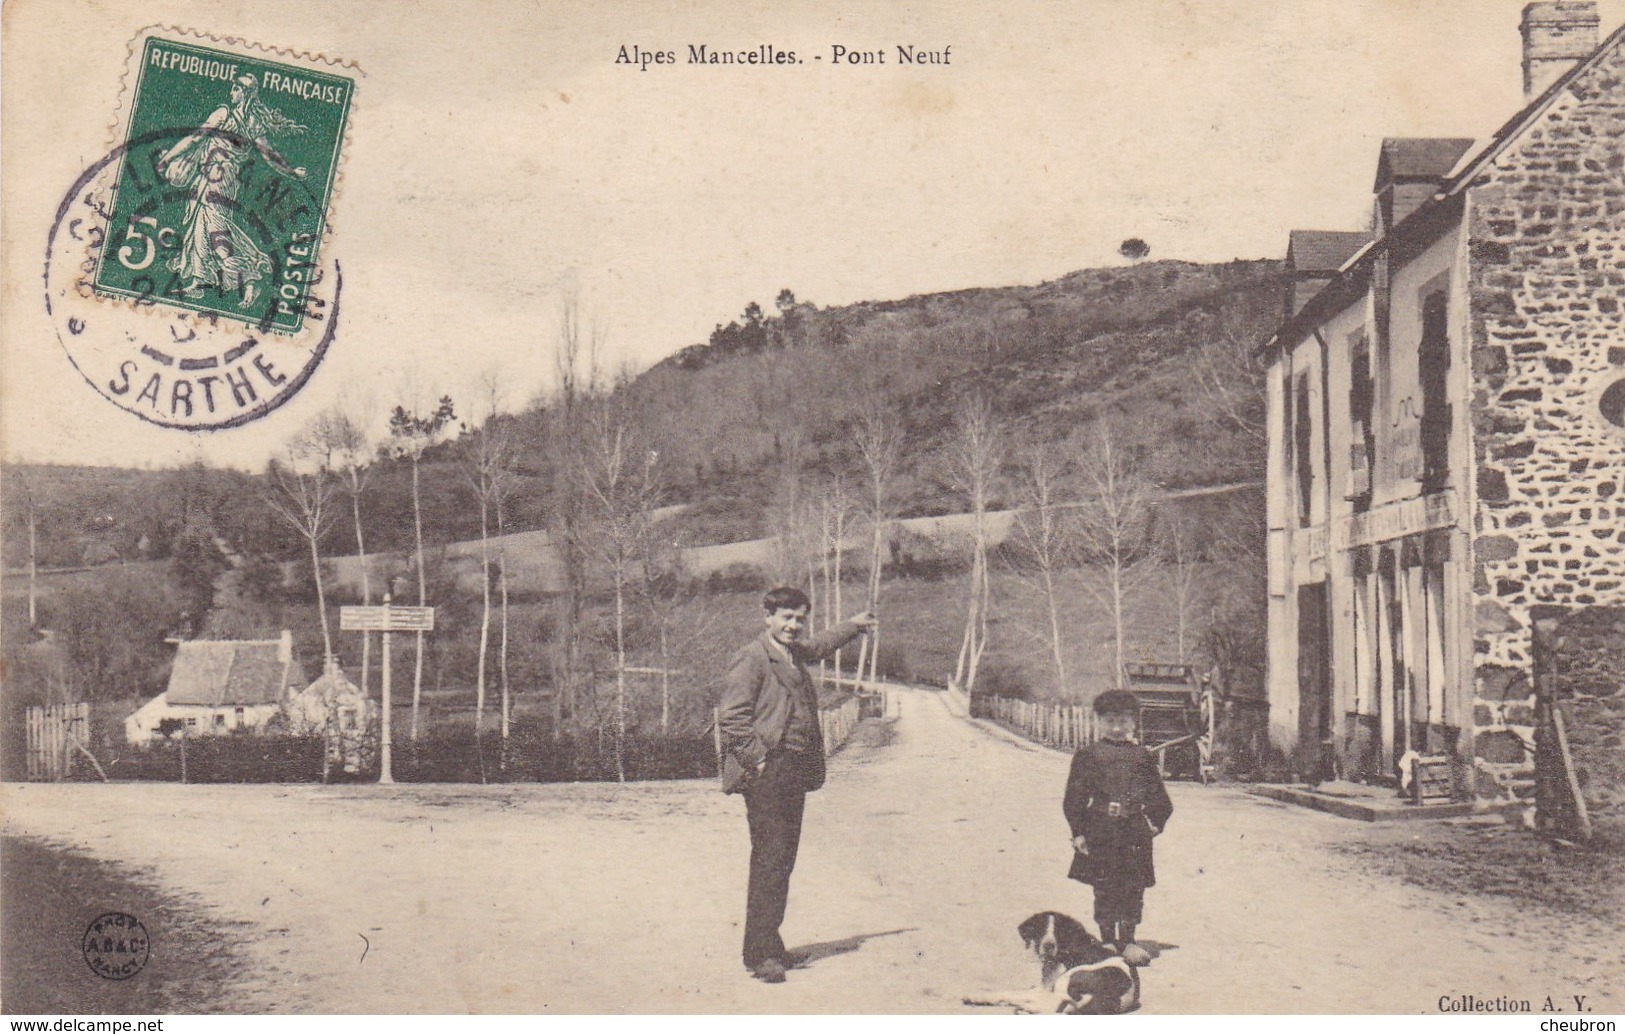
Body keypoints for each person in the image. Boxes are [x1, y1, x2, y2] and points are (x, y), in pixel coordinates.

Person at [718, 586, 875, 983]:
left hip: (794, 772)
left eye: (800, 618)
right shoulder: (754, 657)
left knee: (783, 860)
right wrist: (761, 757)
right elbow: (732, 718)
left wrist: (853, 627)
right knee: (770, 858)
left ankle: (770, 946)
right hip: (769, 773)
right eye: (786, 617)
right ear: (766, 616)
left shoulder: (792, 652)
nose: (793, 625)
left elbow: (820, 645)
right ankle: (759, 955)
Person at [155, 74, 307, 308]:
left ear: (244, 93)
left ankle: (250, 277)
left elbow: (194, 138)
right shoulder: (254, 124)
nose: (230, 94)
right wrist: (291, 171)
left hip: (217, 180)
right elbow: (270, 156)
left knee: (218, 232)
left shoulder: (224, 115)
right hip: (218, 180)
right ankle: (200, 280)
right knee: (201, 226)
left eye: (234, 89)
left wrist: (167, 158)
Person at [1062, 689, 1172, 968]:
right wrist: (1078, 832)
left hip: (1134, 832)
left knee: (1133, 886)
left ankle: (1129, 940)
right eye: (1110, 720)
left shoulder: (1142, 756)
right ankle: (1108, 939)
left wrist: (1154, 822)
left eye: (1123, 721)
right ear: (1098, 721)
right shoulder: (1088, 755)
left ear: (1134, 722)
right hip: (1100, 830)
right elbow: (1073, 798)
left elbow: (1159, 797)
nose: (1116, 727)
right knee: (1105, 885)